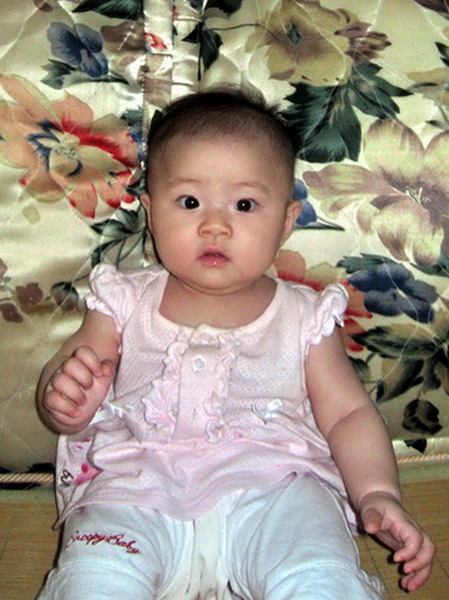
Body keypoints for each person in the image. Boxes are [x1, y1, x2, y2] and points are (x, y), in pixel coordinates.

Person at [36, 87, 434, 600]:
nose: (215, 225)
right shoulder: (122, 301)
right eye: (190, 202)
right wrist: (64, 397)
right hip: (136, 488)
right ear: (152, 213)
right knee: (95, 575)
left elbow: (348, 415)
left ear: (285, 221)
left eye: (244, 205)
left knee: (320, 573)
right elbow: (70, 367)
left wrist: (377, 493)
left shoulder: (305, 317)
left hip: (275, 489)